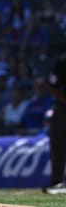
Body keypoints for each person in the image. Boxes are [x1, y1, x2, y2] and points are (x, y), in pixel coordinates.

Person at [44, 55, 66, 194]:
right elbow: (52, 85)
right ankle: (57, 182)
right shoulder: (62, 61)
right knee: (58, 141)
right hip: (63, 106)